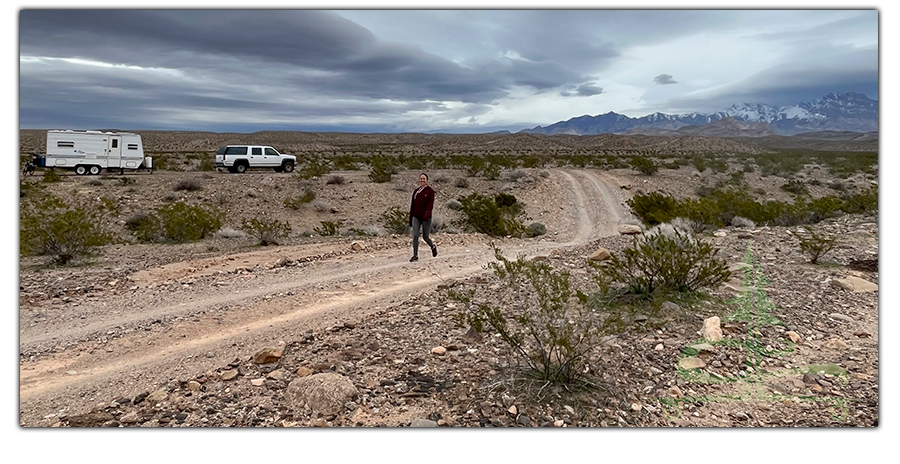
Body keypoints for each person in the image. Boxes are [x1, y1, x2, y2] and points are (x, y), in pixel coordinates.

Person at [408, 173, 437, 262]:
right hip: (416, 216)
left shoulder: (430, 191)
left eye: (424, 179)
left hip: (425, 217)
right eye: (421, 178)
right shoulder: (416, 191)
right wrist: (411, 217)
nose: (422, 180)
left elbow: (430, 205)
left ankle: (432, 246)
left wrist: (427, 215)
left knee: (425, 236)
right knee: (415, 235)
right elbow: (412, 205)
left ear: (427, 180)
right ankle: (415, 255)